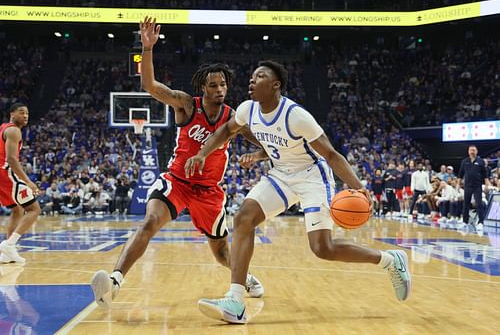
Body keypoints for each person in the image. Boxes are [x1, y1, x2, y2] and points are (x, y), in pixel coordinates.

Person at [185, 60, 412, 324]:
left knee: (322, 248)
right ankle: (235, 301)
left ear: (275, 85)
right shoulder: (247, 110)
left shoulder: (296, 116)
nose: (251, 81)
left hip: (312, 177)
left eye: (259, 77)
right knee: (243, 219)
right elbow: (226, 130)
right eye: (252, 76)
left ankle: (389, 260)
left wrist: (358, 187)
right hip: (281, 174)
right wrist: (203, 153)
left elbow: (330, 154)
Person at [90, 16, 264, 309]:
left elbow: (264, 144)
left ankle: (243, 278)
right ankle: (115, 281)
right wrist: (147, 49)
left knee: (221, 253)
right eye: (214, 85)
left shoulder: (235, 117)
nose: (220, 89)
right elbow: (150, 85)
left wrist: (256, 156)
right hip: (177, 182)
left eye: (223, 84)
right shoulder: (186, 104)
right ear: (203, 88)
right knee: (149, 222)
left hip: (209, 191)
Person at [0, 103, 41, 264]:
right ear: (12, 114)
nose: (25, 116)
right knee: (34, 209)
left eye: (27, 113)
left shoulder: (4, 127)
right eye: (21, 112)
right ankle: (9, 244)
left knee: (17, 210)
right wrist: (28, 181)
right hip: (6, 172)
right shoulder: (14, 130)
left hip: (2, 172)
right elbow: (11, 159)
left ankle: (7, 254)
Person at [457, 145, 488, 233]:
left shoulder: (480, 161)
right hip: (467, 186)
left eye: (474, 150)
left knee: (479, 204)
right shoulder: (465, 161)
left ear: (476, 151)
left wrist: (486, 184)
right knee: (466, 204)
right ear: (468, 151)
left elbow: (485, 174)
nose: (472, 152)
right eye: (471, 150)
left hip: (477, 186)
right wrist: (458, 184)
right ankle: (465, 222)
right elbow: (460, 174)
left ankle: (481, 222)